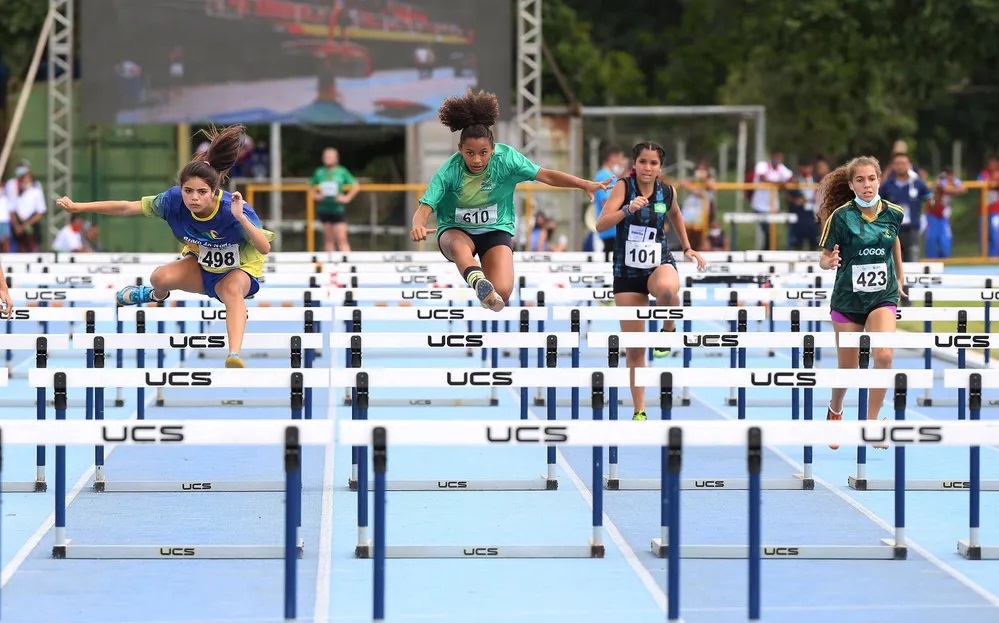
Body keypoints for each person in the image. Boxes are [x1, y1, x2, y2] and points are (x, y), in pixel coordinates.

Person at [56, 124, 274, 369]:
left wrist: (241, 218)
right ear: (180, 189)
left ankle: (234, 354)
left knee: (232, 289)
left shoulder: (233, 209)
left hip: (239, 269)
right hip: (202, 265)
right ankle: (153, 295)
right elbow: (126, 207)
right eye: (188, 191)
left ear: (214, 192)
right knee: (159, 277)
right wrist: (78, 207)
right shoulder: (171, 201)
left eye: (202, 192)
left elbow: (264, 247)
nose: (194, 198)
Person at [410, 89, 611, 311]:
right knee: (459, 246)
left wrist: (582, 183)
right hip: (456, 230)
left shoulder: (507, 160)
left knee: (503, 292)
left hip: (494, 229)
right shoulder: (449, 171)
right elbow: (425, 207)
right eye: (470, 153)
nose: (477, 159)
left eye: (483, 152)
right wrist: (418, 225)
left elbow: (546, 175)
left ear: (493, 149)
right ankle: (477, 280)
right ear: (460, 150)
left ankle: (486, 291)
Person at [594, 141, 707, 421]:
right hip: (627, 272)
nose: (647, 167)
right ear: (634, 164)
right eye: (643, 162)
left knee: (669, 290)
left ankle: (668, 330)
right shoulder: (623, 187)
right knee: (635, 348)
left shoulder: (667, 191)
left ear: (660, 167)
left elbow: (676, 214)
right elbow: (601, 224)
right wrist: (627, 210)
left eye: (653, 163)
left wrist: (688, 247)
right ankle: (640, 409)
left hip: (658, 263)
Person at [815, 155, 906, 450]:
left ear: (879, 179)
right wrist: (829, 262)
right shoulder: (840, 217)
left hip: (882, 295)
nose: (867, 185)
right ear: (852, 184)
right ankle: (836, 408)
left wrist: (901, 277)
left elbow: (893, 241)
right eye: (860, 180)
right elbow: (824, 257)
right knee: (848, 369)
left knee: (884, 355)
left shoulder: (894, 213)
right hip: (847, 299)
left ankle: (870, 422)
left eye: (871, 179)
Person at [311, 147, 359, 253]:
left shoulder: (342, 171)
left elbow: (355, 185)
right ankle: (330, 264)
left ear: (336, 158)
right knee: (328, 239)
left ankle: (346, 262)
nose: (327, 158)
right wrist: (316, 196)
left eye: (330, 156)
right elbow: (310, 186)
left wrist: (347, 198)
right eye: (326, 156)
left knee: (341, 238)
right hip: (324, 208)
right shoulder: (319, 172)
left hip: (338, 209)